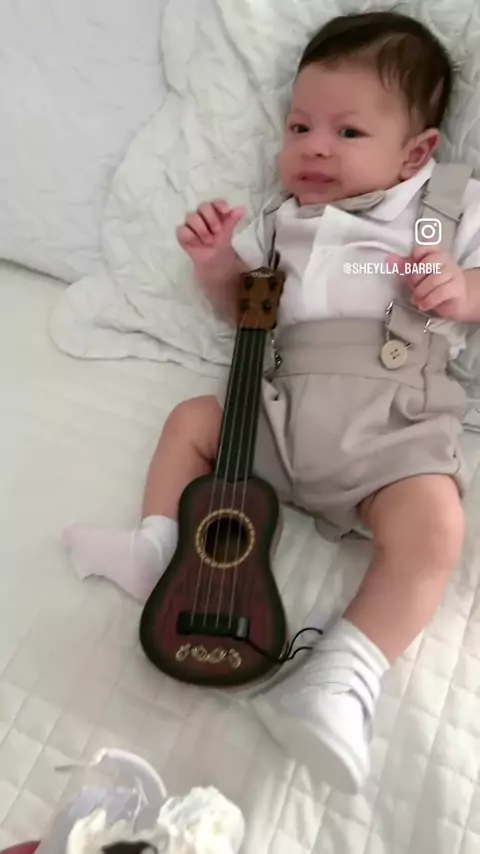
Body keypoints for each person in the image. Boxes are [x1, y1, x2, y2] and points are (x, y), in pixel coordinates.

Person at [63, 11, 480, 794]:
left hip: (389, 434)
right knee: (193, 421)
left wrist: (462, 289)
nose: (314, 147)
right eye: (299, 126)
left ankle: (344, 674)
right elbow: (242, 310)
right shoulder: (282, 222)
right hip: (276, 418)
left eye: (347, 132)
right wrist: (217, 262)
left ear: (416, 152)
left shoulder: (445, 208)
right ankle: (157, 548)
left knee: (436, 529)